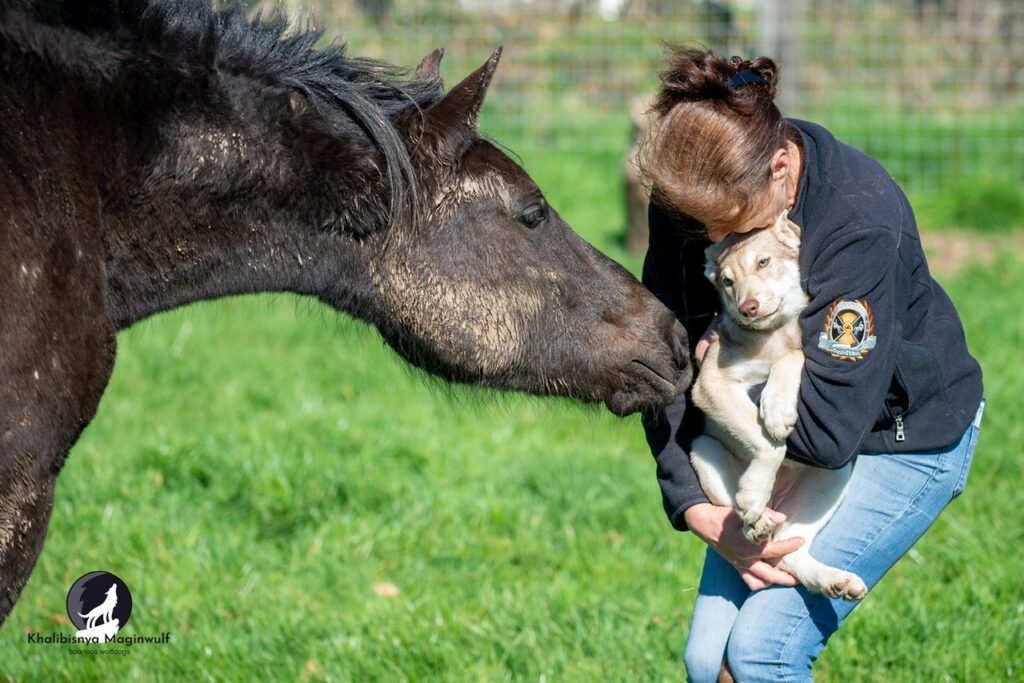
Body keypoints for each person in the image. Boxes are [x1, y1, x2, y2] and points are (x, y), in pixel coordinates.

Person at [638, 49, 984, 682]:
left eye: (729, 222)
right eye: (700, 227)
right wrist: (694, 504)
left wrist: (721, 390)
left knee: (760, 654)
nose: (715, 244)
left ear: (781, 169)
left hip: (896, 434)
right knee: (707, 662)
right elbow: (660, 357)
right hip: (758, 438)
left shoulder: (859, 217)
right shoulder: (694, 205)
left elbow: (827, 435)